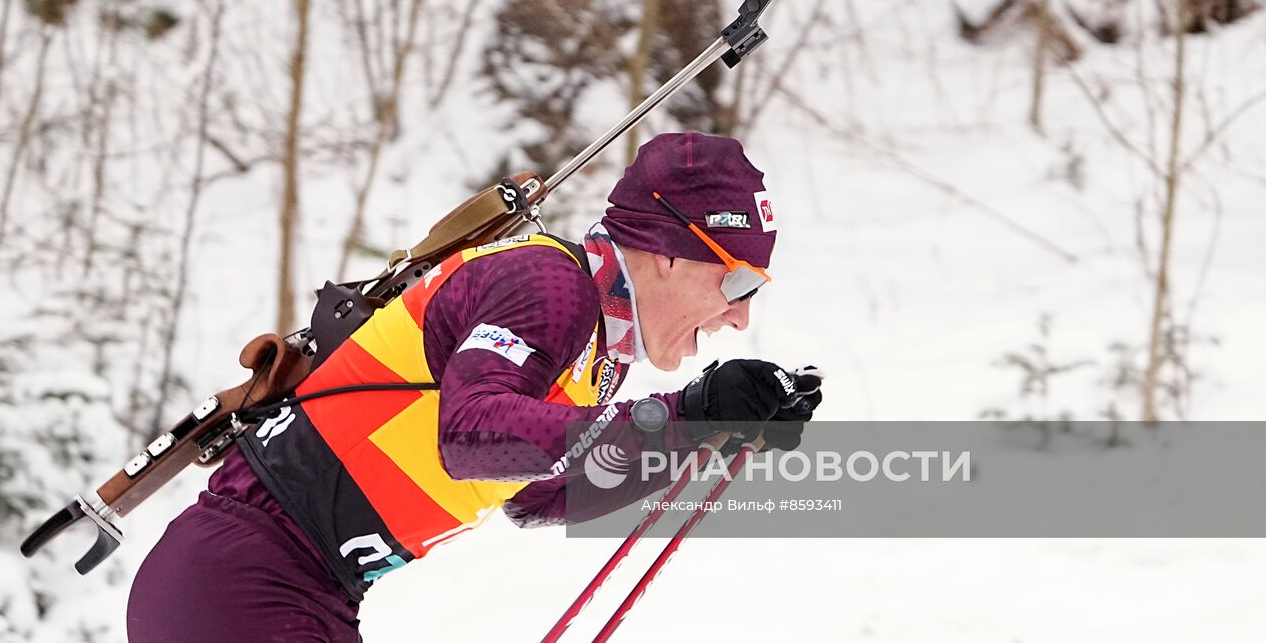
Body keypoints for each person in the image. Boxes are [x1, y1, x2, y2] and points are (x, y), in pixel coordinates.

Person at [127, 131, 822, 642]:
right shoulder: (547, 284)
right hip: (240, 583)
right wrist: (662, 423)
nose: (741, 315)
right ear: (668, 254)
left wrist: (697, 414)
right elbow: (472, 434)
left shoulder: (596, 355)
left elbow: (540, 492)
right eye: (737, 282)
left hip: (296, 593)